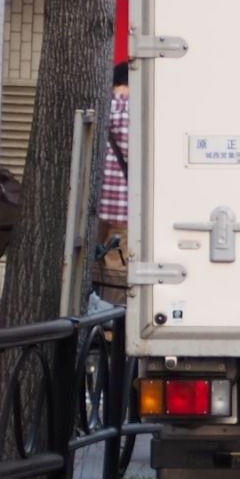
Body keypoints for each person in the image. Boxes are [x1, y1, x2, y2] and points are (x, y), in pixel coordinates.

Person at [95, 62, 132, 305]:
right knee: (117, 265)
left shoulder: (101, 107)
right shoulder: (137, 111)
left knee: (94, 262)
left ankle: (91, 319)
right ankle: (111, 327)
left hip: (96, 206)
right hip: (123, 208)